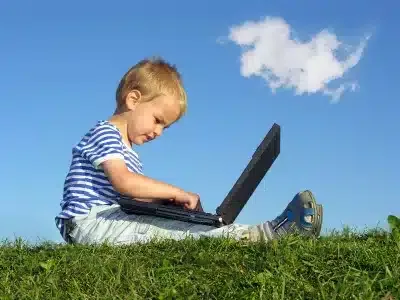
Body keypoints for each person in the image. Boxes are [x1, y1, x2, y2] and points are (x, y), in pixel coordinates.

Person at [55, 57, 323, 245]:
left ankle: (223, 229)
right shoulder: (105, 133)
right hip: (89, 224)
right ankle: (266, 234)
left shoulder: (126, 150)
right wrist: (175, 193)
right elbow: (124, 183)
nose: (158, 132)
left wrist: (165, 205)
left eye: (165, 128)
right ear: (133, 99)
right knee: (171, 234)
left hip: (110, 218)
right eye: (158, 120)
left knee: (177, 226)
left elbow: (129, 196)